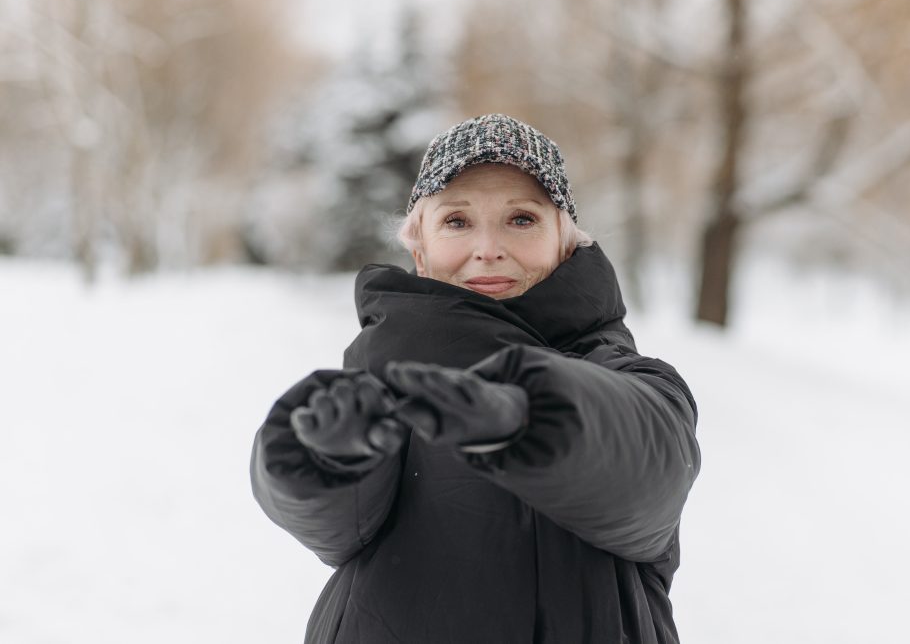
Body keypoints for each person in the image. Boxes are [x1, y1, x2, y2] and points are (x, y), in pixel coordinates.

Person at [250, 113, 702, 643]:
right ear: (420, 249)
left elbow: (649, 474)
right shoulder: (376, 388)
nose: (488, 248)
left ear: (567, 239)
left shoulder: (627, 376)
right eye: (458, 221)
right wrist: (321, 460)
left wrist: (536, 416)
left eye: (522, 219)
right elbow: (332, 529)